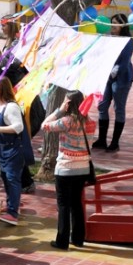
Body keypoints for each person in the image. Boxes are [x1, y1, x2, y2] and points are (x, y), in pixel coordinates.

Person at [41, 90, 92, 250]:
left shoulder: (67, 121)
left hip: (65, 168)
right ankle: (78, 238)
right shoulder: (90, 121)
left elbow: (45, 125)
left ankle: (62, 240)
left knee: (63, 205)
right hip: (83, 168)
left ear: (68, 103)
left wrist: (60, 110)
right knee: (76, 204)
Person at [92, 13, 133, 152]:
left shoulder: (128, 41)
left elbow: (124, 62)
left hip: (121, 78)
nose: (112, 25)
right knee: (102, 106)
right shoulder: (108, 38)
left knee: (119, 109)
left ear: (123, 25)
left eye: (115, 22)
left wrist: (112, 72)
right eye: (112, 22)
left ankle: (115, 142)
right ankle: (102, 139)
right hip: (107, 77)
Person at [0, 77, 25, 225]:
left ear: (2, 90)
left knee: (12, 179)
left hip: (13, 150)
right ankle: (11, 206)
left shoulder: (11, 107)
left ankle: (13, 213)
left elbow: (18, 127)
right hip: (1, 150)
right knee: (5, 178)